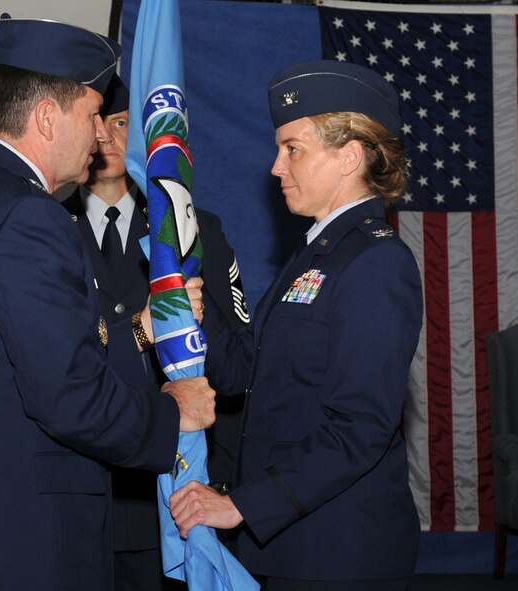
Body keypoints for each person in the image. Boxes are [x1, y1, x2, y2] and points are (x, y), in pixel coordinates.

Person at [0, 16, 216, 591]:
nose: (102, 133)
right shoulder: (30, 216)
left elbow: (16, 365)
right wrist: (175, 413)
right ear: (48, 117)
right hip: (24, 545)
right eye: (95, 113)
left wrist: (141, 332)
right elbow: (68, 397)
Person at [169, 60, 424, 590]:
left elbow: (359, 428)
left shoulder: (376, 263)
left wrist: (242, 504)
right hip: (288, 544)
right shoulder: (317, 254)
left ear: (350, 155)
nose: (276, 167)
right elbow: (246, 366)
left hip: (337, 553)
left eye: (293, 149)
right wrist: (196, 312)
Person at [61, 75, 250, 591]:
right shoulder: (49, 230)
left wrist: (193, 314)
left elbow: (238, 374)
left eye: (122, 123)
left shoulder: (195, 230)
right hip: (83, 496)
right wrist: (143, 326)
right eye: (97, 124)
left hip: (170, 500)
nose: (107, 139)